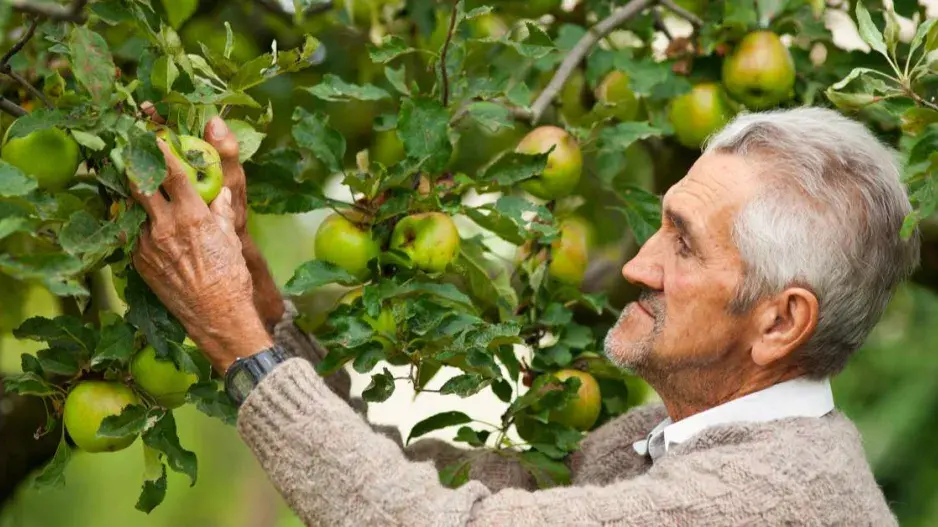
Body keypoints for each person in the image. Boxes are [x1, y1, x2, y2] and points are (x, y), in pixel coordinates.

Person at [130, 107, 919, 526]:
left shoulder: (768, 501)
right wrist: (259, 306)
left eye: (683, 245)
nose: (639, 266)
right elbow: (417, 489)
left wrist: (237, 339)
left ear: (781, 322)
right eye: (661, 225)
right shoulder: (656, 442)